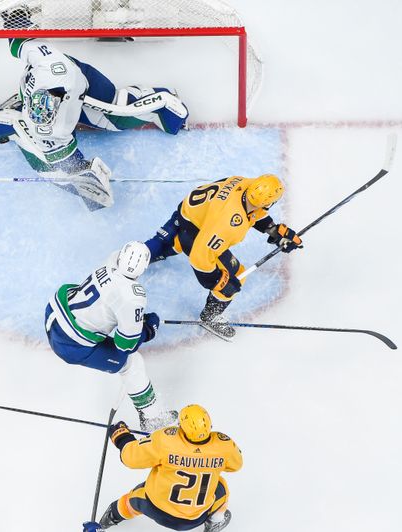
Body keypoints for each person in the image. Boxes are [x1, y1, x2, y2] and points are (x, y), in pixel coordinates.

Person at [0, 6, 190, 210]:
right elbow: (21, 40)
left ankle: (164, 102)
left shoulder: (56, 123)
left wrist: (85, 179)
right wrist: (16, 18)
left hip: (78, 82)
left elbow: (61, 163)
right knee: (114, 108)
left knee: (108, 122)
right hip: (76, 74)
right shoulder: (44, 60)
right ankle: (163, 102)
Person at [143, 174, 303, 339]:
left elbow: (254, 210)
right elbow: (199, 256)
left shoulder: (244, 182)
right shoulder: (230, 224)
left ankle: (136, 258)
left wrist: (273, 230)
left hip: (188, 214)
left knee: (167, 242)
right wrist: (217, 281)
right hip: (197, 233)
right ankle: (210, 316)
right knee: (236, 276)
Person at [45, 241, 178, 431]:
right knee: (132, 362)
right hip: (71, 345)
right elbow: (126, 345)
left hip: (54, 313)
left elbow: (109, 298)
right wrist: (148, 329)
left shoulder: (111, 260)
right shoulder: (132, 297)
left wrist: (135, 320)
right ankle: (152, 417)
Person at [83, 404, 242, 532]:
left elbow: (130, 458)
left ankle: (111, 517)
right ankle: (216, 522)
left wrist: (121, 436)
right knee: (221, 487)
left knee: (133, 500)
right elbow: (236, 465)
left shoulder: (166, 440)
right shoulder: (224, 446)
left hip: (155, 508)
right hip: (195, 518)